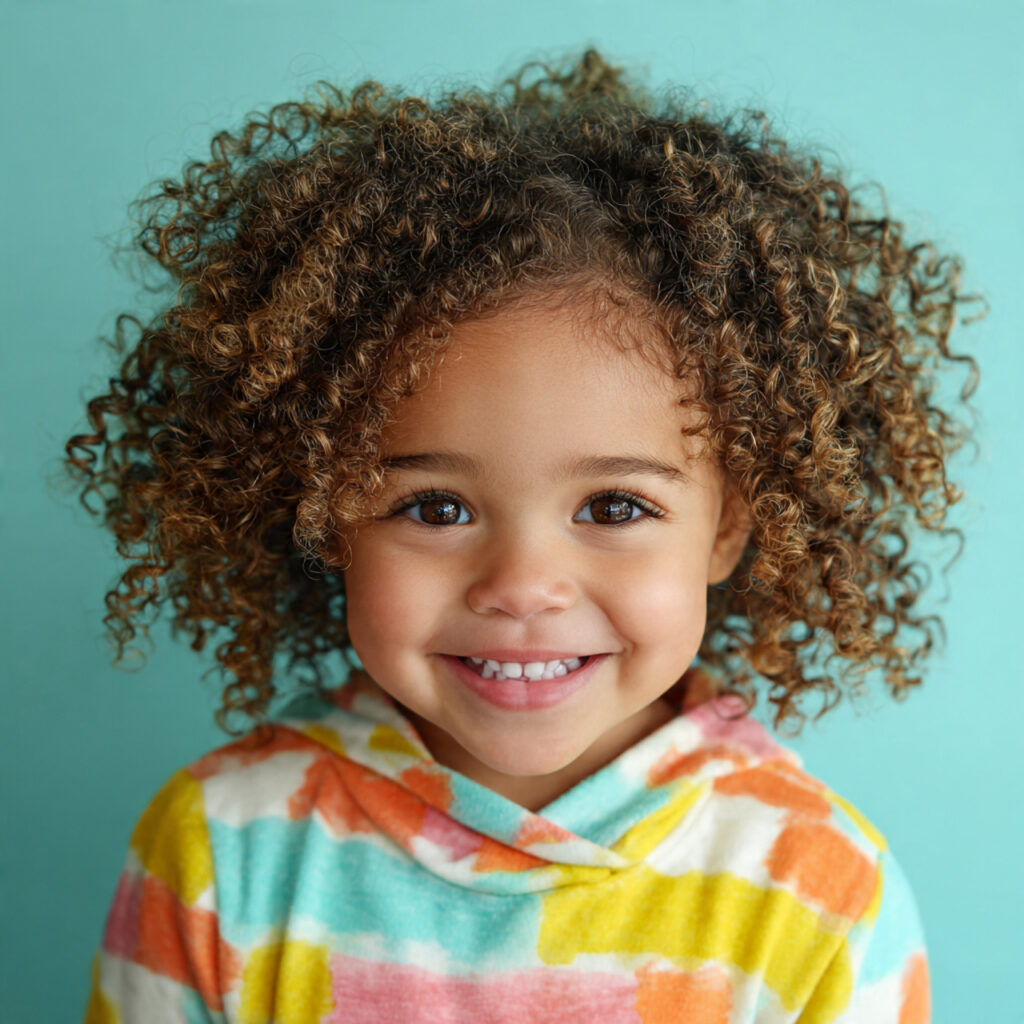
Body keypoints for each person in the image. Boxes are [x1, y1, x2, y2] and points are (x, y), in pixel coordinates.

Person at [71, 49, 977, 1023]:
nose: (521, 583)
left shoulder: (819, 890)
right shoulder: (219, 854)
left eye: (614, 507)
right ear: (329, 515)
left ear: (728, 531)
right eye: (435, 507)